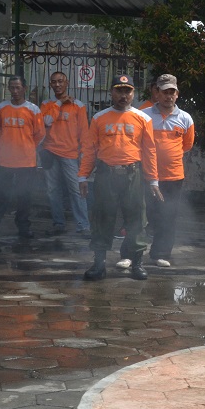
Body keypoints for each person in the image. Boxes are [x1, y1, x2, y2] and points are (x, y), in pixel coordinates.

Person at [78, 75, 163, 281]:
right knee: (102, 218)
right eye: (119, 90)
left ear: (133, 93)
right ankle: (99, 265)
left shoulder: (143, 119)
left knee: (136, 219)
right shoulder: (99, 118)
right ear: (111, 92)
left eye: (128, 91)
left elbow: (149, 151)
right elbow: (89, 149)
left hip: (133, 175)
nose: (123, 95)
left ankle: (137, 264)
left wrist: (153, 180)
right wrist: (82, 176)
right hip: (106, 175)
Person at [137, 74, 194, 267]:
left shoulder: (185, 118)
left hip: (173, 176)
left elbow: (187, 145)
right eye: (164, 92)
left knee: (168, 215)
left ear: (177, 94)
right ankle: (135, 251)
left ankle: (160, 254)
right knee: (148, 214)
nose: (168, 96)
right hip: (148, 175)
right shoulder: (144, 115)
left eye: (172, 92)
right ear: (157, 93)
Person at [0, 76, 44, 240]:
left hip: (26, 161)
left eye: (18, 88)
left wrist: (27, 146)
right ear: (8, 89)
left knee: (25, 196)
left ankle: (23, 227)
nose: (15, 91)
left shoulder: (33, 110)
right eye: (12, 88)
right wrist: (5, 144)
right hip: (4, 160)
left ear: (25, 89)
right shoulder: (1, 108)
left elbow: (40, 134)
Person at [39, 71, 90, 236]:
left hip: (70, 154)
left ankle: (83, 225)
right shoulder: (46, 104)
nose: (57, 85)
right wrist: (59, 103)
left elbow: (84, 131)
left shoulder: (78, 105)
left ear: (67, 83)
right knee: (53, 190)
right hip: (50, 151)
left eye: (61, 81)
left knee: (76, 190)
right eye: (54, 82)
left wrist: (84, 153)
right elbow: (46, 121)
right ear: (50, 85)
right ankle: (58, 224)